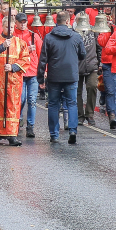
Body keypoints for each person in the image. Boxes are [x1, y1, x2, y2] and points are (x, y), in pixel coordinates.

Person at [38, 11, 86, 143]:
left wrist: (40, 78)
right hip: (71, 75)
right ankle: (72, 130)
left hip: (54, 75)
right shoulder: (76, 37)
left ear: (56, 21)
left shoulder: (49, 37)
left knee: (53, 104)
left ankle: (54, 134)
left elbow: (43, 59)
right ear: (68, 21)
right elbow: (83, 54)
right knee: (72, 103)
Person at [0, 17, 30, 146]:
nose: (9, 29)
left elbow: (26, 59)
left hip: (13, 81)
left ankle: (11, 134)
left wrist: (13, 67)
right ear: (2, 27)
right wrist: (2, 47)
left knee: (12, 106)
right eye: (6, 27)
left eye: (11, 27)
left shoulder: (21, 43)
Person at [76, 15, 101, 128]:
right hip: (77, 66)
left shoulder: (93, 31)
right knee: (77, 91)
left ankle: (89, 114)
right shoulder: (73, 32)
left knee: (92, 86)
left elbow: (99, 47)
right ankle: (79, 115)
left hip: (92, 65)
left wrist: (99, 63)